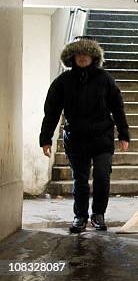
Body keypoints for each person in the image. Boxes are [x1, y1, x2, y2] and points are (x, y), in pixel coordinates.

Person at [39, 36, 130, 233]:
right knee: (79, 179)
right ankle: (80, 216)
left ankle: (98, 215)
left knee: (102, 176)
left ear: (93, 57)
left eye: (86, 53)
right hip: (76, 139)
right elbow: (52, 111)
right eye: (78, 53)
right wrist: (45, 138)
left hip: (102, 138)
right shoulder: (62, 82)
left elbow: (117, 107)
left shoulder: (105, 79)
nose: (82, 57)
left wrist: (124, 134)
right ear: (71, 57)